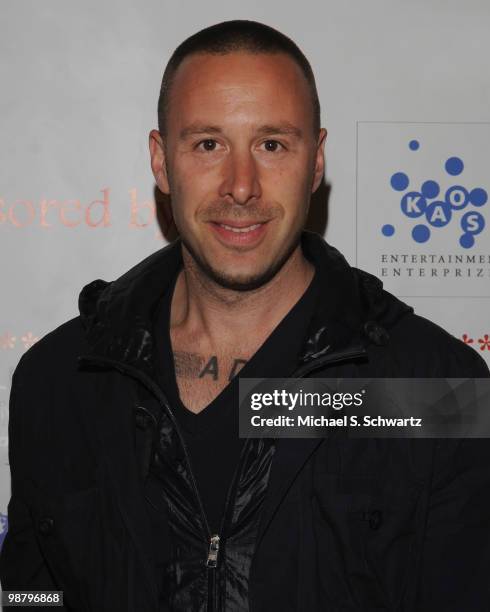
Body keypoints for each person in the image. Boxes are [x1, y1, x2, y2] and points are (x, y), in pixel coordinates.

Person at [1, 19, 489, 612]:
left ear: (315, 161)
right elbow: (30, 595)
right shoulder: (59, 379)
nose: (240, 186)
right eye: (208, 144)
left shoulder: (436, 389)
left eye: (272, 144)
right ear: (161, 162)